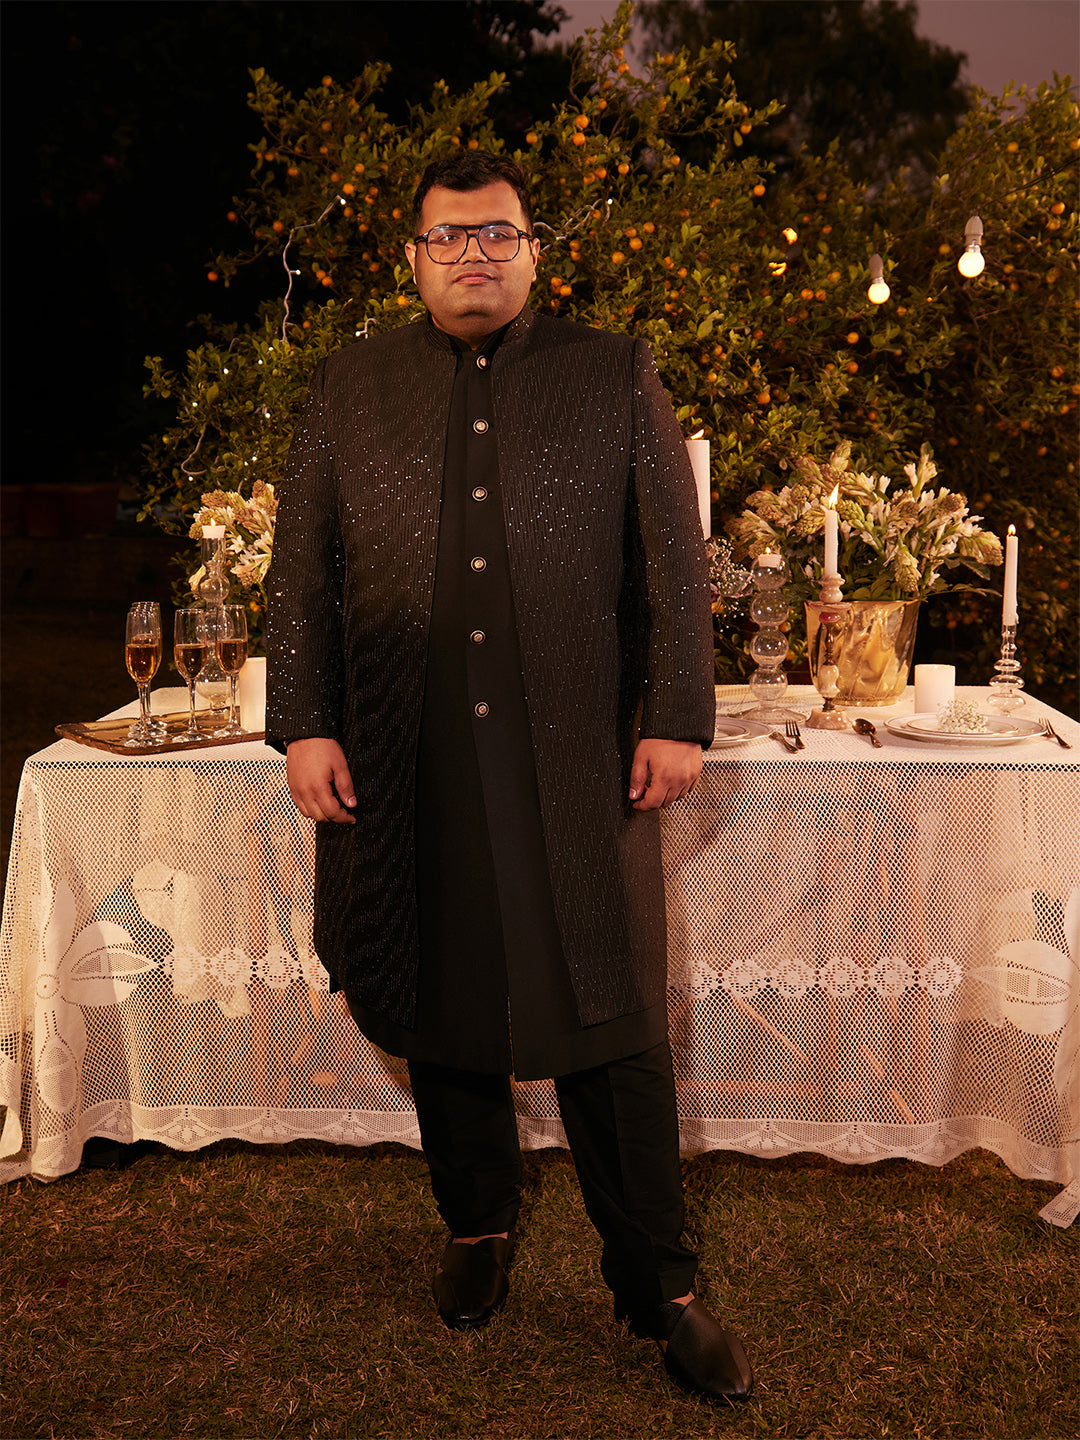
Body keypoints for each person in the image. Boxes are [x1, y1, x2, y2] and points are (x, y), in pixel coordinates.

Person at [265, 150, 753, 1404]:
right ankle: (477, 1226)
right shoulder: (351, 385)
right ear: (413, 259)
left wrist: (677, 717)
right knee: (441, 998)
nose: (472, 254)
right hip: (404, 748)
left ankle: (661, 1286)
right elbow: (301, 569)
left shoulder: (611, 371)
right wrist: (306, 724)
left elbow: (673, 561)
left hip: (575, 754)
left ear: (534, 252)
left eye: (497, 234)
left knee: (609, 1018)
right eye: (448, 236)